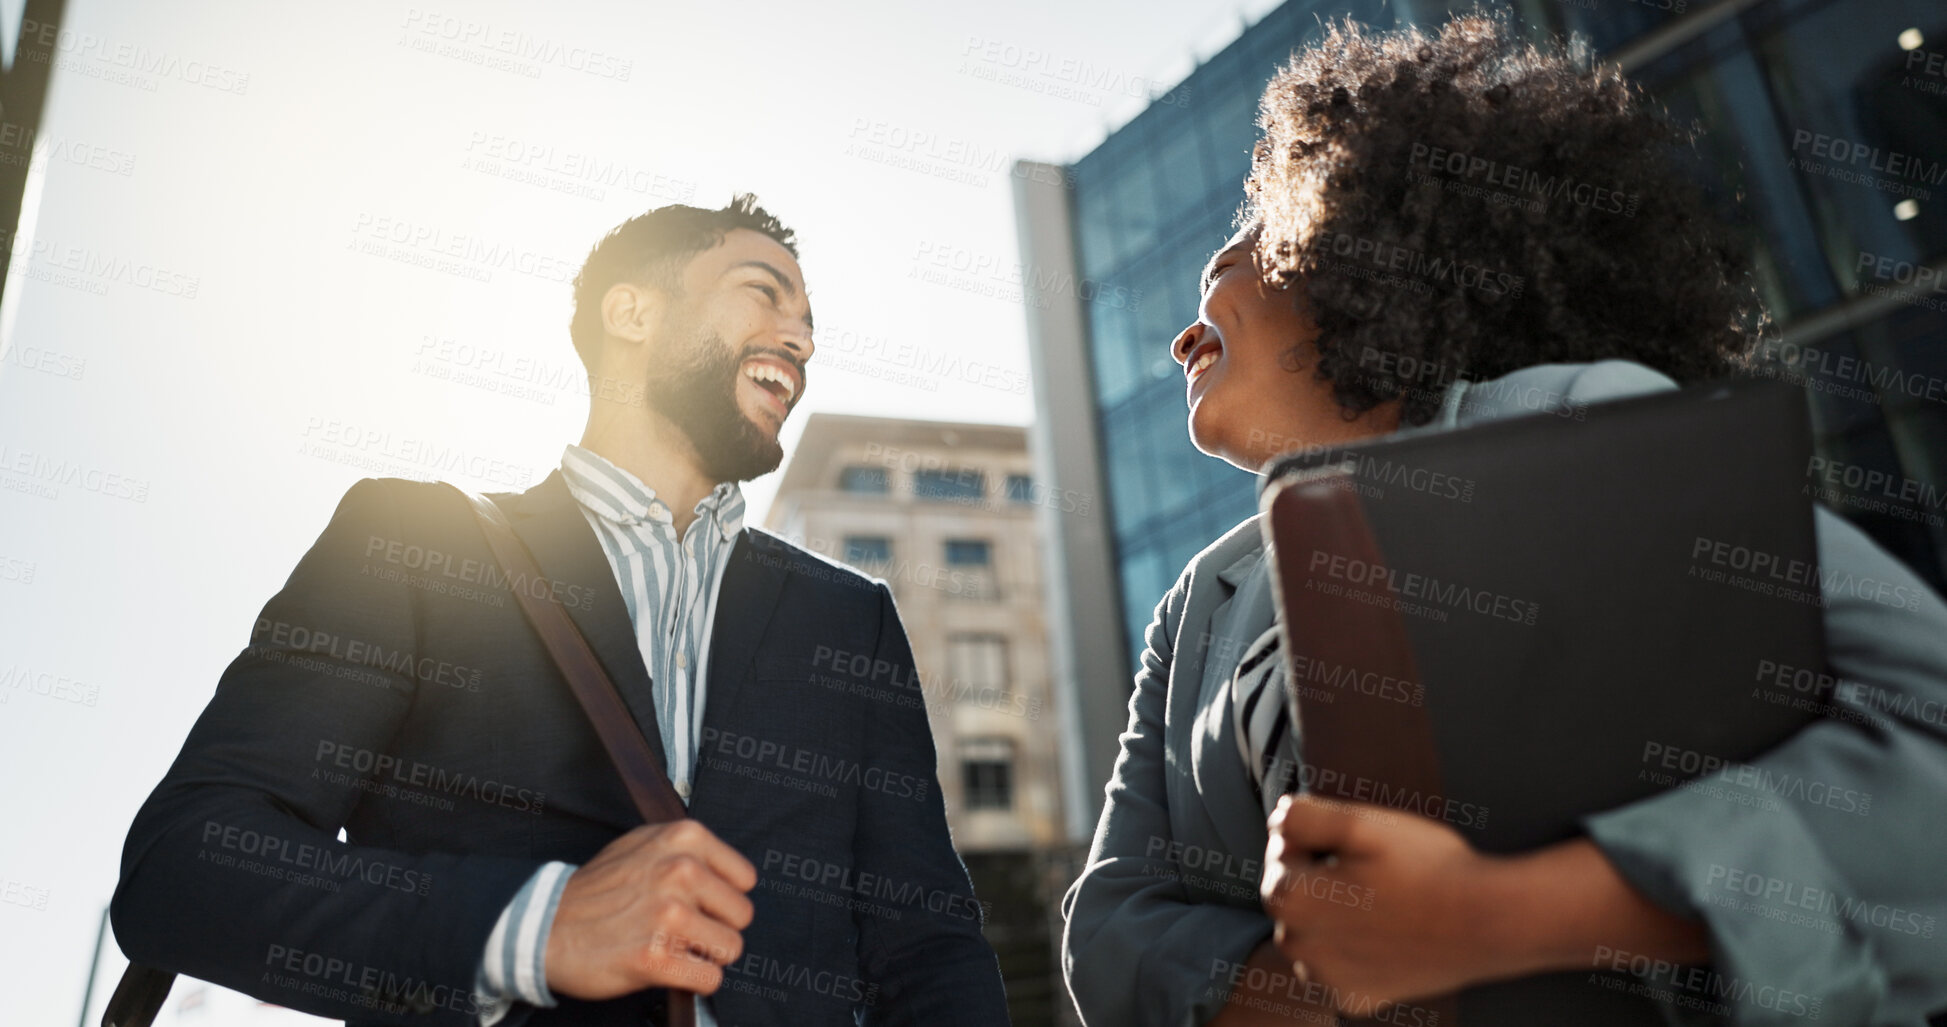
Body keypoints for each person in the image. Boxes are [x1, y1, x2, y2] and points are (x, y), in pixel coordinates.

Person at [1061, 16, 1947, 1026]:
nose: (1182, 340)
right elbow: (1108, 927)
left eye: (1221, 276)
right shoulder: (1193, 612)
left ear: (1350, 246)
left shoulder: (1583, 421)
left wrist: (1495, 919)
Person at [113, 196, 1010, 1027]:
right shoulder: (412, 541)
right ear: (632, 314)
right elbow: (186, 865)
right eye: (762, 294)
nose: (800, 339)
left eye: (809, 322)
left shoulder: (849, 621)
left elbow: (928, 949)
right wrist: (533, 927)